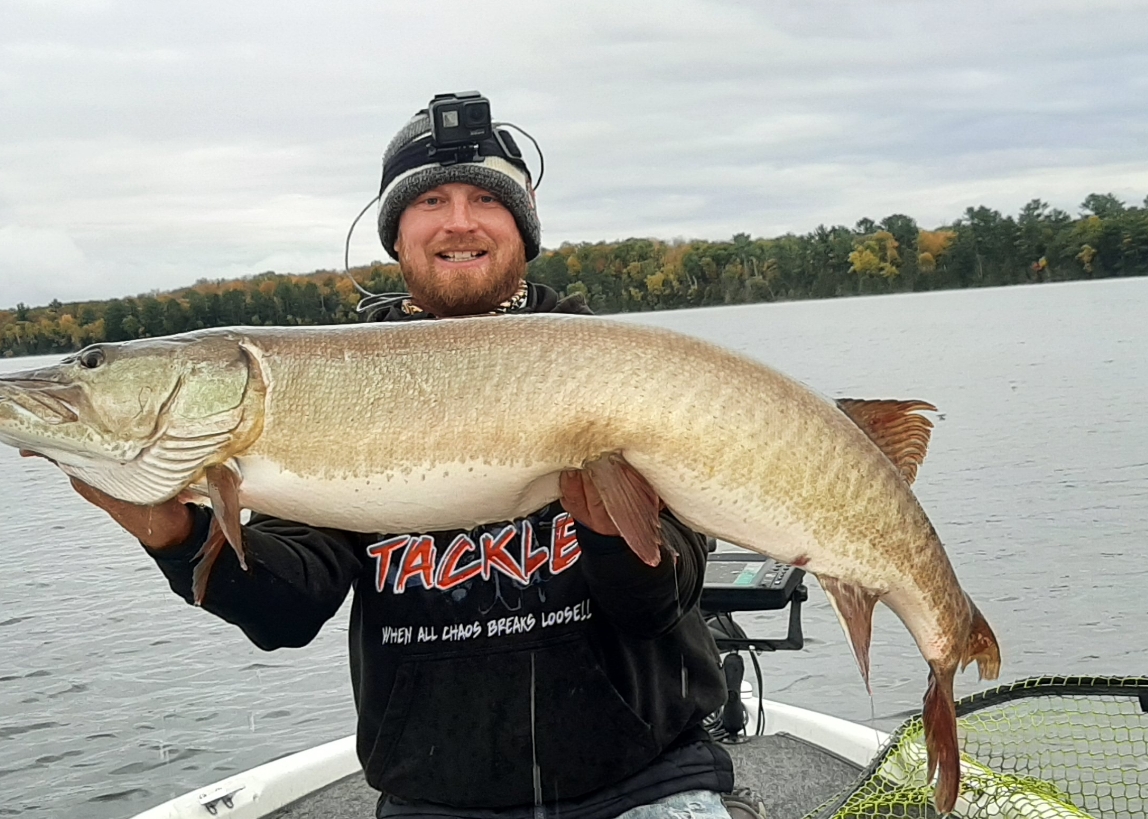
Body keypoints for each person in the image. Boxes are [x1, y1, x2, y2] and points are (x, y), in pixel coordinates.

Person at [54, 98, 735, 819]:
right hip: (436, 796)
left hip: (643, 777)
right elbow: (285, 609)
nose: (459, 221)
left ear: (522, 226)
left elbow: (658, 604)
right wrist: (175, 534)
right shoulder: (330, 392)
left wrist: (610, 535)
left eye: (484, 198)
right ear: (396, 232)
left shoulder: (616, 366)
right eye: (431, 200)